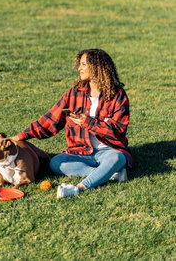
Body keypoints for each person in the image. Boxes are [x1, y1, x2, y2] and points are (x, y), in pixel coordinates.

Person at [11, 48, 132, 198]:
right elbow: (49, 120)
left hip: (108, 150)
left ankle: (79, 188)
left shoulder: (118, 95)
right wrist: (20, 136)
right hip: (80, 151)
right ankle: (110, 174)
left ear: (97, 68)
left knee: (118, 158)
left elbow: (118, 130)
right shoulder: (74, 93)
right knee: (56, 163)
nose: (79, 68)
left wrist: (88, 122)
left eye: (83, 65)